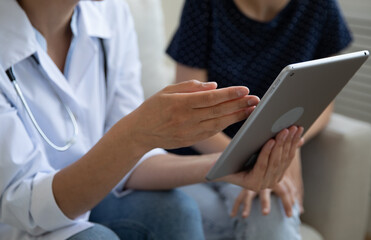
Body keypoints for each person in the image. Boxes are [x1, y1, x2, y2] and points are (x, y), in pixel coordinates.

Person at [0, 0, 304, 240]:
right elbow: (26, 209)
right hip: (19, 222)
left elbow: (131, 164)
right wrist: (136, 134)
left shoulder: (111, 14)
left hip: (93, 200)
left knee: (176, 211)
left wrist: (230, 165)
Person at [167, 0, 353, 239]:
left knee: (270, 216)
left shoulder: (319, 7)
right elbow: (188, 115)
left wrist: (290, 143)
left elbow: (325, 99)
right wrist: (253, 162)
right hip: (195, 159)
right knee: (185, 215)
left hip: (265, 159)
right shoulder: (205, 6)